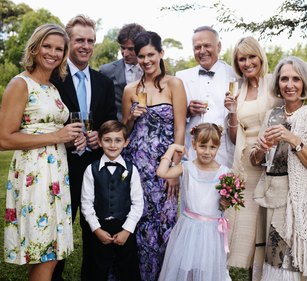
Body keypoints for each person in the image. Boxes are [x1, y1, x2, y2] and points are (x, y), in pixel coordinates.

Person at [0, 23, 86, 281]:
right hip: (34, 175)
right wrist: (57, 136)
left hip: (57, 174)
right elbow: (4, 138)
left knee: (50, 250)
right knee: (44, 250)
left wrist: (71, 141)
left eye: (59, 48)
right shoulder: (20, 83)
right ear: (35, 48)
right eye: (47, 46)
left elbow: (49, 133)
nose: (53, 53)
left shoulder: (52, 87)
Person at [251, 56, 307, 280]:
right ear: (277, 84)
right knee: (272, 262)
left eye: (296, 79)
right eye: (284, 79)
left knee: (292, 264)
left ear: (305, 83)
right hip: (271, 200)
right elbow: (256, 159)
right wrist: (260, 149)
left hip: (298, 207)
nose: (290, 85)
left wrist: (294, 140)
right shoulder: (273, 116)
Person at [51, 14, 117, 281]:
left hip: (94, 166)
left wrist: (98, 137)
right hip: (60, 165)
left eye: (90, 40)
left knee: (94, 229)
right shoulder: (53, 77)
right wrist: (63, 138)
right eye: (79, 40)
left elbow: (110, 122)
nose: (85, 46)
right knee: (59, 228)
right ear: (68, 41)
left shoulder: (103, 82)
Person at [122, 31, 187, 280]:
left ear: (161, 53)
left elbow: (180, 127)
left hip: (163, 165)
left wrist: (174, 168)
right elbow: (125, 131)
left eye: (151, 54)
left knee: (164, 221)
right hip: (136, 164)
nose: (146, 60)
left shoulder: (174, 84)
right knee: (136, 220)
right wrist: (130, 118)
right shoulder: (131, 89)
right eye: (141, 56)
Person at [223, 36, 282, 280]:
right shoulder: (236, 88)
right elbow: (235, 136)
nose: (247, 63)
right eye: (242, 59)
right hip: (247, 167)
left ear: (260, 57)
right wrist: (232, 114)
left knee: (269, 231)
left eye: (251, 57)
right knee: (245, 233)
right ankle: (246, 275)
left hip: (275, 166)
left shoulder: (275, 83)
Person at [157, 123, 231, 281]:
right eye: (203, 146)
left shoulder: (224, 173)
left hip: (211, 232)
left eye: (212, 147)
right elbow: (162, 172)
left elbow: (225, 203)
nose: (207, 151)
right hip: (188, 230)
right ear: (194, 145)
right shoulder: (187, 167)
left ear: (218, 148)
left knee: (206, 270)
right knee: (186, 270)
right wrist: (172, 149)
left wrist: (226, 202)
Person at [80, 120, 143, 281]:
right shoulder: (91, 170)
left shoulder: (132, 170)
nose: (113, 145)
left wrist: (127, 230)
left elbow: (138, 203)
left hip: (124, 227)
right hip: (100, 228)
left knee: (129, 271)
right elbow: (86, 204)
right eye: (107, 140)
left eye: (118, 140)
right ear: (100, 142)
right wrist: (97, 230)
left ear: (126, 142)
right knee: (97, 270)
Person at [176, 26, 236, 168]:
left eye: (207, 46)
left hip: (224, 156)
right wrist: (189, 111)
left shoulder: (234, 75)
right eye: (197, 47)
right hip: (191, 155)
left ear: (218, 46)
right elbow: (174, 119)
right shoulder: (181, 77)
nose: (202, 51)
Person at [100, 23, 146, 121]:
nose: (125, 53)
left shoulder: (153, 70)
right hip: (119, 130)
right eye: (122, 48)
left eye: (131, 49)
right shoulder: (106, 71)